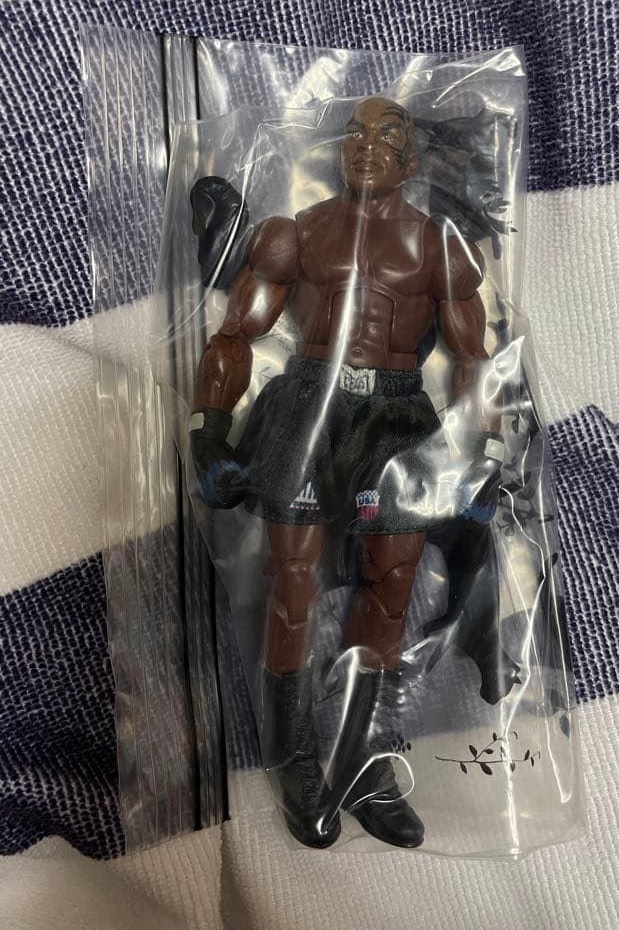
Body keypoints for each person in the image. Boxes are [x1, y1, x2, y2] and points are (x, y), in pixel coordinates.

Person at [190, 96, 504, 849]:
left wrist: (483, 451)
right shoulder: (296, 233)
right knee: (290, 581)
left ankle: (362, 756)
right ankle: (295, 755)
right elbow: (235, 333)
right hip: (306, 402)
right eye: (355, 134)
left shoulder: (437, 246)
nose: (366, 146)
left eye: (386, 136)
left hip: (395, 415)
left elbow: (473, 357)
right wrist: (209, 430)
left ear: (410, 159)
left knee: (390, 583)